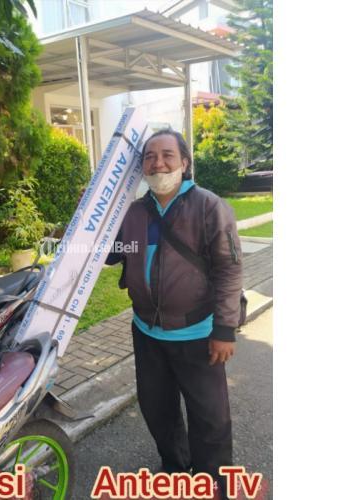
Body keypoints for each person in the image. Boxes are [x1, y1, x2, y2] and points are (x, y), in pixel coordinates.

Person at [106, 128, 243, 499]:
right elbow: (112, 254)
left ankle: (213, 484)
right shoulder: (135, 213)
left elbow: (229, 270)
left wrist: (225, 329)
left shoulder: (209, 206)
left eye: (167, 155)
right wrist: (91, 221)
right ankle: (176, 468)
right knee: (157, 409)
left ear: (184, 162)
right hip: (147, 333)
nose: (158, 163)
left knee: (210, 417)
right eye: (150, 157)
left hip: (198, 334)